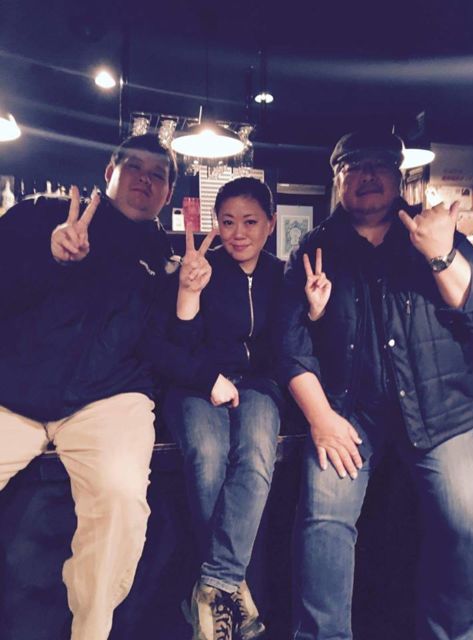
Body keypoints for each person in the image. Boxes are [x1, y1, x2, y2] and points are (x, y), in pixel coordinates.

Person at [0, 133, 218, 640]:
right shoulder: (43, 214)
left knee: (120, 497)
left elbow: (170, 345)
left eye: (158, 174)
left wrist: (188, 292)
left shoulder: (165, 255)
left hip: (109, 398)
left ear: (168, 193)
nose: (145, 179)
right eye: (134, 166)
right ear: (109, 172)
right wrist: (51, 256)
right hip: (13, 392)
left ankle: (91, 631)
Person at [278, 129, 473, 640]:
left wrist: (440, 254)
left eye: (379, 165)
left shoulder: (434, 233)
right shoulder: (315, 246)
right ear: (337, 179)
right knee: (322, 522)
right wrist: (322, 419)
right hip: (349, 413)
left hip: (441, 409)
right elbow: (290, 345)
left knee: (470, 521)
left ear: (398, 176)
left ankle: (453, 634)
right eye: (355, 166)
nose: (368, 175)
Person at [164, 177, 285, 640]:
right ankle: (232, 589)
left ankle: (211, 585)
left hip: (258, 385)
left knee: (256, 451)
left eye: (250, 222)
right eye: (228, 221)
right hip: (195, 384)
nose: (238, 233)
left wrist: (315, 311)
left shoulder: (283, 275)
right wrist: (188, 293)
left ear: (271, 223)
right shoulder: (200, 267)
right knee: (208, 455)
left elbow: (291, 344)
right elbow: (176, 347)